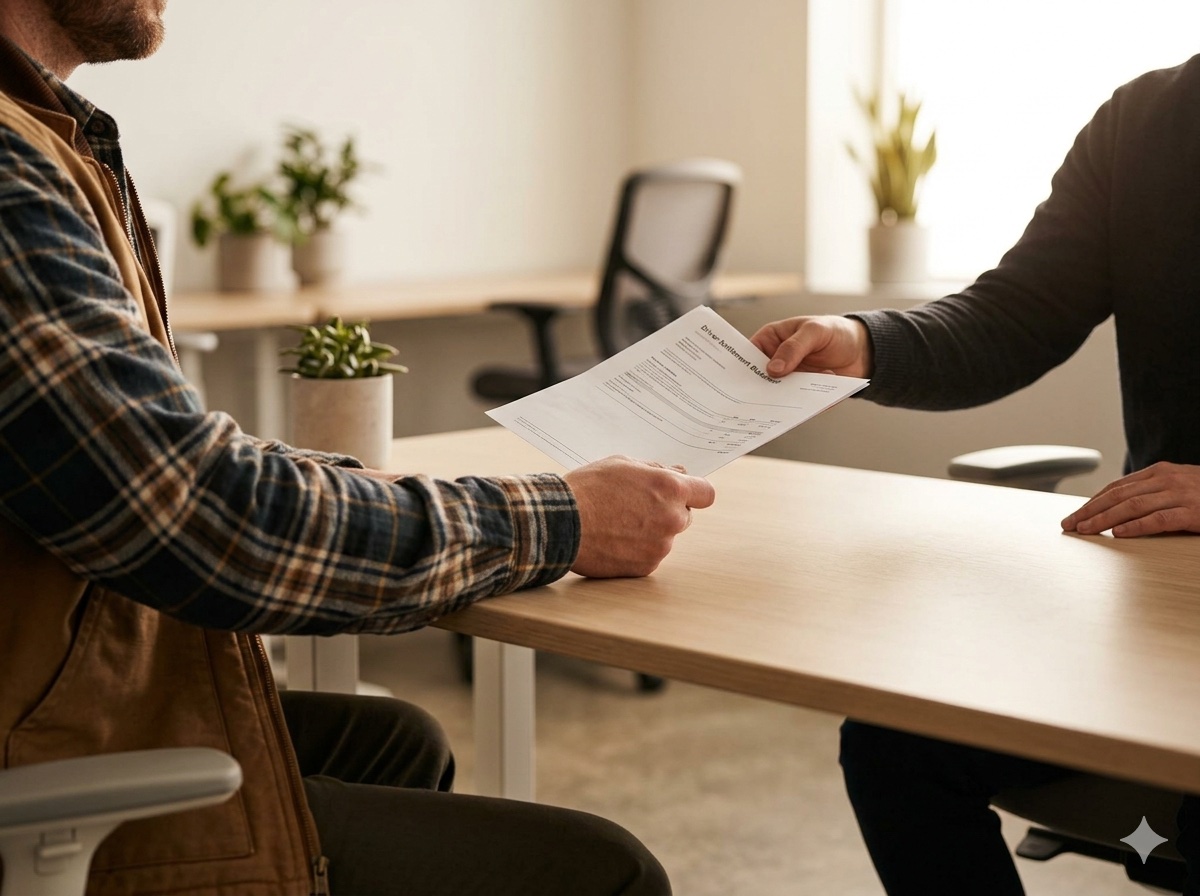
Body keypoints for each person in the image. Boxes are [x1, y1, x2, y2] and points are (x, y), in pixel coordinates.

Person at [0, 2, 716, 894]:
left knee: (395, 738)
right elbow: (205, 521)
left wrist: (351, 483)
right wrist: (564, 520)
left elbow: (152, 454)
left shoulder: (43, 136)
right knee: (608, 872)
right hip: (27, 754)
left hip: (44, 690)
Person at [749, 55, 1200, 896]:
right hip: (1166, 605)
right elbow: (1014, 316)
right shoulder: (1147, 120)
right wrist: (861, 343)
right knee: (897, 746)